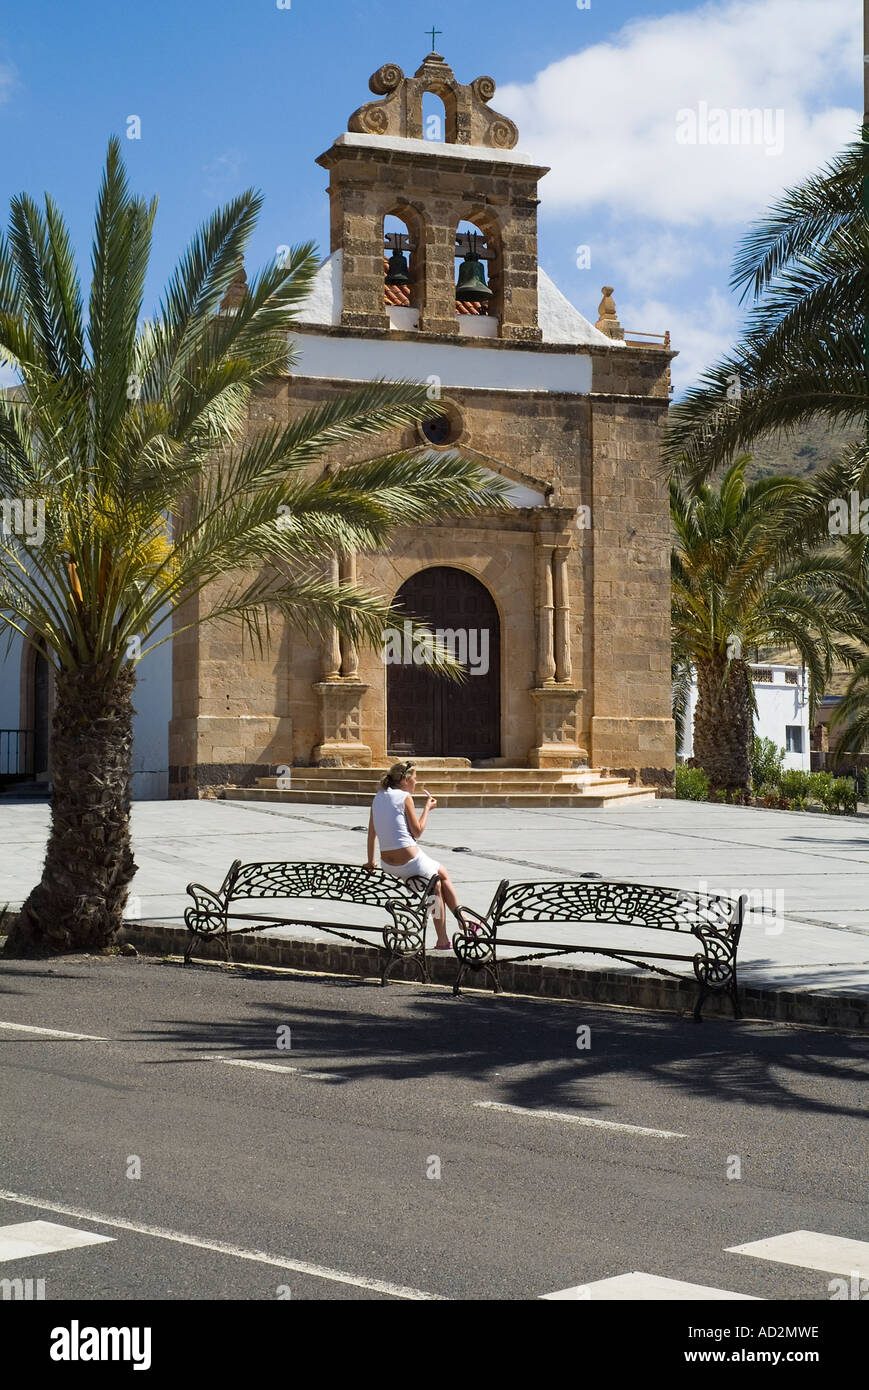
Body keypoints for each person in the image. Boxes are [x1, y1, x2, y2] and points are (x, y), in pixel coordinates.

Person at [366, 760, 465, 950]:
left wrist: (371, 862)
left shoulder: (378, 796)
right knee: (437, 881)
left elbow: (372, 834)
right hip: (410, 861)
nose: (416, 783)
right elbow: (418, 831)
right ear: (405, 779)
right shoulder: (405, 797)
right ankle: (447, 935)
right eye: (415, 779)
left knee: (440, 874)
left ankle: (462, 919)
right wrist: (427, 808)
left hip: (388, 864)